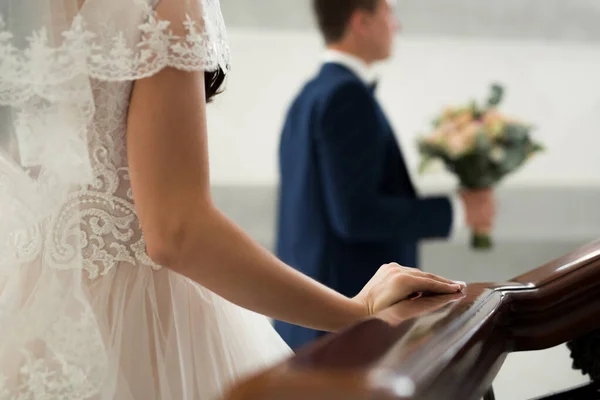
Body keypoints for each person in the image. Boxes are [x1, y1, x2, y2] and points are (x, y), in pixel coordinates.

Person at [0, 0, 466, 399]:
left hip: (25, 311)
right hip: (145, 323)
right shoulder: (161, 6)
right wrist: (356, 312)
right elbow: (176, 231)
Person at [274, 0, 494, 350]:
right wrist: (458, 211)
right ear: (361, 21)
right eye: (389, 12)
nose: (397, 25)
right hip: (346, 318)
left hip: (310, 316)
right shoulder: (346, 96)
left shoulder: (309, 95)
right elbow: (355, 216)